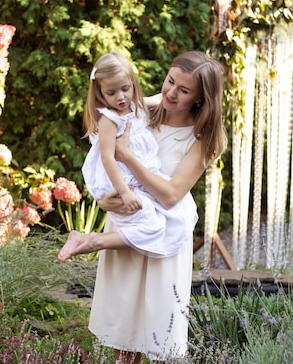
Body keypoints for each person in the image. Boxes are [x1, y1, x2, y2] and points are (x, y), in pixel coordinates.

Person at [89, 51, 227, 363]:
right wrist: (103, 199)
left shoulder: (201, 139)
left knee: (157, 333)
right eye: (170, 81)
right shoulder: (139, 113)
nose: (170, 92)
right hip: (127, 227)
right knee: (123, 334)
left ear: (201, 99)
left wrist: (127, 157)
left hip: (164, 237)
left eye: (184, 90)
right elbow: (103, 160)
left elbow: (170, 194)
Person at [58, 51, 197, 261]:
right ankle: (92, 240)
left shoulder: (135, 106)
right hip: (125, 181)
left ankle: (94, 240)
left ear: (133, 84)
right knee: (152, 225)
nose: (121, 97)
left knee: (183, 209)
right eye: (111, 93)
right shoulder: (110, 120)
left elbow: (159, 98)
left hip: (142, 177)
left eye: (125, 89)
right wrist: (125, 193)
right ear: (101, 94)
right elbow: (107, 158)